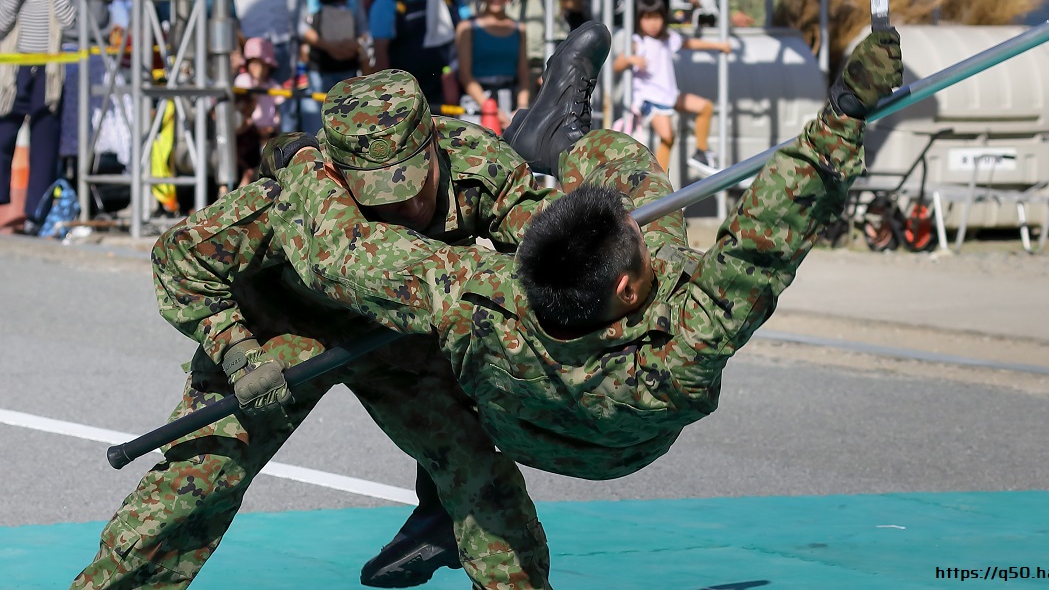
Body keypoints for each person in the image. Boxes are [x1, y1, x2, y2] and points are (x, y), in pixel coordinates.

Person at [69, 24, 614, 590]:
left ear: (432, 144)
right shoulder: (295, 196)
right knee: (197, 481)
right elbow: (180, 259)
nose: (399, 207)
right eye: (377, 196)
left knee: (480, 477)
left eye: (411, 188)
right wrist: (236, 352)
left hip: (397, 333)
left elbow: (544, 246)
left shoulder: (479, 168)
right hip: (280, 331)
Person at [264, 29, 902, 500]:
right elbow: (764, 243)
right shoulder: (683, 345)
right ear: (628, 285)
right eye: (638, 243)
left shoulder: (480, 296)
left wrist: (300, 156)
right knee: (634, 178)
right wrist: (844, 116)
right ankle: (560, 139)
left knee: (632, 195)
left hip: (520, 423)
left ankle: (551, 138)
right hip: (624, 446)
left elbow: (340, 254)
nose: (643, 233)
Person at [0, 0, 74, 235]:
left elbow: (70, 21)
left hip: (48, 72)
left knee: (45, 143)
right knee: (3, 136)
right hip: (14, 74)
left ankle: (35, 214)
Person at [613, 0, 732, 173]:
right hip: (650, 98)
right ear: (639, 20)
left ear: (663, 18)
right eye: (647, 18)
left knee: (705, 107)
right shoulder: (638, 42)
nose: (652, 23)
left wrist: (718, 46)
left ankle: (700, 151)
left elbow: (690, 43)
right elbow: (617, 65)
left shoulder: (667, 38)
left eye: (657, 17)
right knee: (667, 136)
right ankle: (657, 178)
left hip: (669, 94)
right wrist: (632, 59)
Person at [230, 0, 308, 134]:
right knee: (248, 118)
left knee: (287, 115)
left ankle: (285, 166)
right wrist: (235, 45)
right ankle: (252, 168)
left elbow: (302, 9)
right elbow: (227, 3)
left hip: (286, 47)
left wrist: (302, 46)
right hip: (250, 49)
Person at [51, 0, 116, 173]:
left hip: (100, 50)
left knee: (107, 126)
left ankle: (102, 185)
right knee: (64, 128)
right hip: (64, 49)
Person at [299, 0, 370, 134]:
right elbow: (299, 26)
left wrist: (356, 44)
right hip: (315, 72)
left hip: (348, 72)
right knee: (315, 134)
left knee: (347, 132)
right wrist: (327, 46)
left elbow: (363, 27)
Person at [455, 0, 529, 129]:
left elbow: (523, 73)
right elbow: (465, 75)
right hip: (477, 104)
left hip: (509, 105)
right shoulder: (467, 27)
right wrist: (489, 108)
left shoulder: (519, 28)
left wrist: (522, 105)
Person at [233, 38, 285, 186]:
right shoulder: (243, 82)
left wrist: (274, 127)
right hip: (247, 135)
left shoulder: (273, 86)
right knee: (247, 165)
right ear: (248, 64)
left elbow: (277, 113)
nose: (260, 70)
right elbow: (242, 114)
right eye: (256, 64)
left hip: (268, 135)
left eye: (264, 65)